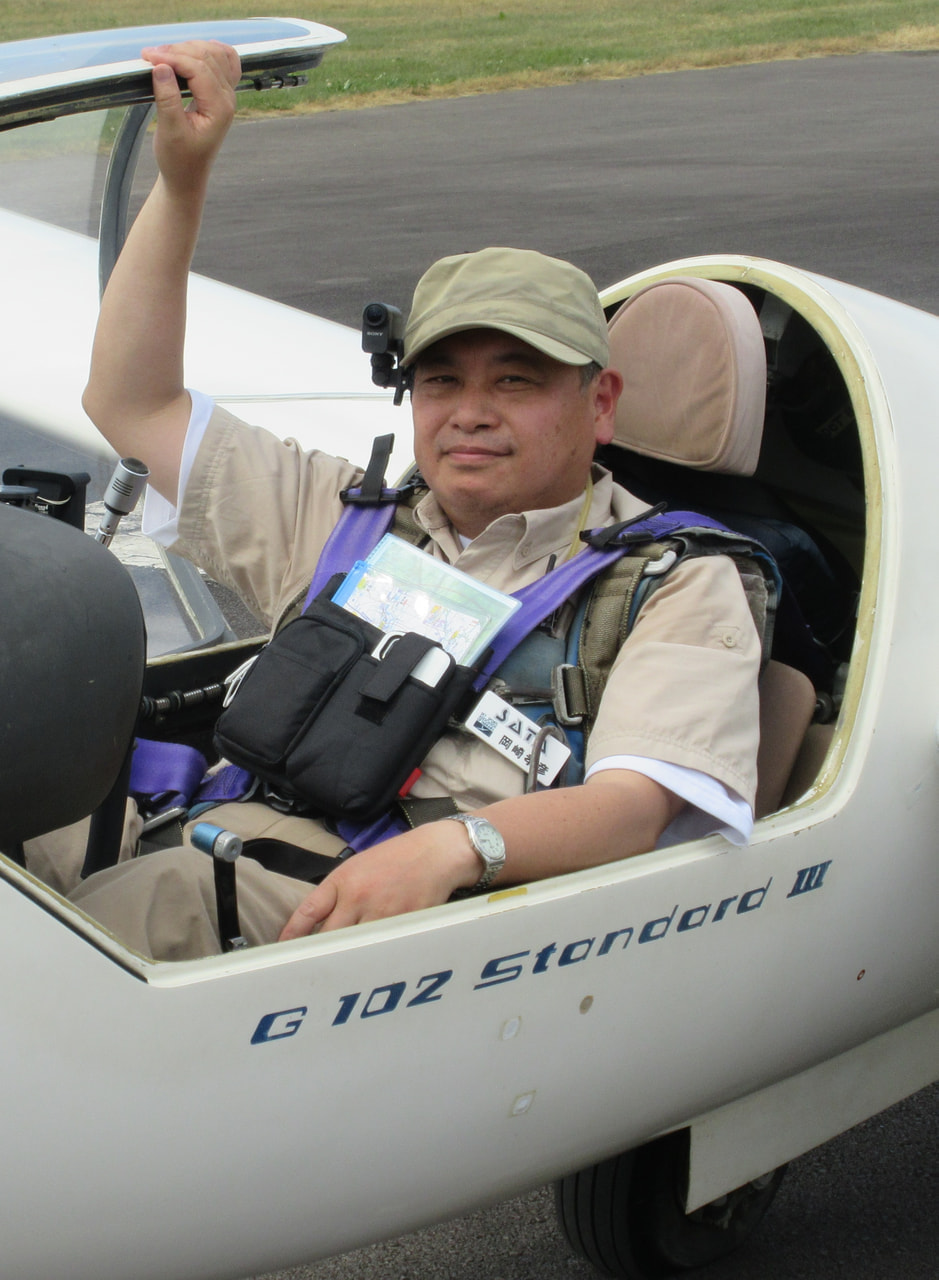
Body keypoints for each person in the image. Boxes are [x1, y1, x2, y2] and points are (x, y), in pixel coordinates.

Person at [65, 40, 761, 961]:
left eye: (516, 382)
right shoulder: (346, 516)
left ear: (599, 404)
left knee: (145, 909)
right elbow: (133, 403)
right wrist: (182, 177)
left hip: (411, 911)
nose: (469, 414)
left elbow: (635, 808)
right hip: (217, 825)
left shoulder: (672, 581)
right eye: (440, 381)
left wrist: (455, 847)